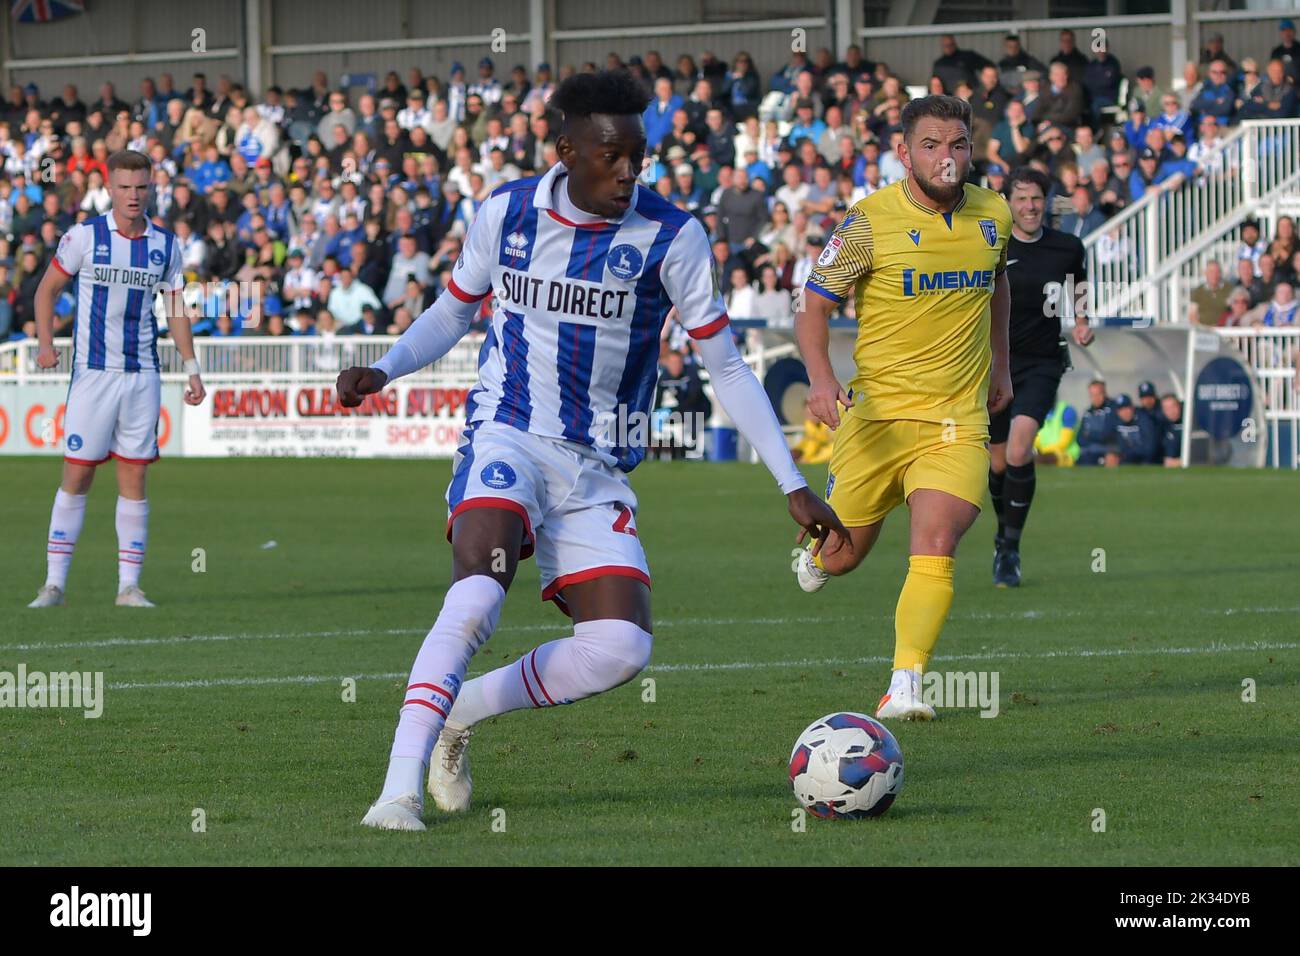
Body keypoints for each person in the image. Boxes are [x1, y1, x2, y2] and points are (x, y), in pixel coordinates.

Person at [337, 70, 844, 831]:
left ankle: (461, 713)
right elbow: (453, 311)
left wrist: (790, 484)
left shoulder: (671, 236)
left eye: (639, 154)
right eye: (611, 155)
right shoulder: (505, 213)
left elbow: (727, 366)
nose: (629, 171)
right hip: (507, 431)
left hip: (596, 467)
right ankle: (397, 791)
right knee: (478, 592)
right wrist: (386, 367)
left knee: (619, 648)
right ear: (566, 149)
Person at [794, 94, 1012, 720]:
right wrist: (820, 378)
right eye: (933, 146)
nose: (948, 159)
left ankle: (905, 685)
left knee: (937, 541)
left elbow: (999, 282)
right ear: (903, 153)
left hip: (957, 421)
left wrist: (1001, 361)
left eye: (959, 145)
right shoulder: (868, 222)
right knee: (844, 555)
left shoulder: (992, 213)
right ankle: (816, 552)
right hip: (878, 422)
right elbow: (814, 304)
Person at [27, 149, 207, 609]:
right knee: (78, 473)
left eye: (141, 187)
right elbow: (46, 289)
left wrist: (191, 368)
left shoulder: (166, 245)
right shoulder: (85, 236)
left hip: (142, 374)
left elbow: (175, 307)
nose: (133, 195)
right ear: (110, 188)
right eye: (125, 187)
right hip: (93, 373)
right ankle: (54, 584)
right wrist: (46, 344)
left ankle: (128, 587)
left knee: (134, 476)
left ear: (151, 188)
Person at [987, 167, 1091, 587]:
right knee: (995, 464)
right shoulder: (993, 245)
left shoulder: (1067, 247)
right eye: (1022, 198)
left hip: (1042, 363)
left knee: (1017, 450)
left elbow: (1078, 284)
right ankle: (1002, 535)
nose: (1029, 206)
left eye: (1036, 198)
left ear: (1046, 202)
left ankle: (1010, 549)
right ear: (1008, 202)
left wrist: (1082, 320)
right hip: (995, 365)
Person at [1076, 377, 1117, 466]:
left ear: (1105, 393)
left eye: (1098, 394)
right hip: (1089, 452)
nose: (1095, 398)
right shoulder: (1088, 413)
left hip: (1107, 451)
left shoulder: (1112, 409)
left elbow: (1107, 434)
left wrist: (1089, 434)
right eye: (1092, 395)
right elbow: (1079, 438)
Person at [1113, 394, 1158, 464]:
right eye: (1121, 410)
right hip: (1125, 460)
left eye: (1126, 408)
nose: (1125, 412)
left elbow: (1150, 449)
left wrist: (1126, 453)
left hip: (1145, 461)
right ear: (1117, 412)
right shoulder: (1115, 422)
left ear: (1132, 408)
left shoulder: (1144, 420)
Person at [1159, 394, 1184, 467]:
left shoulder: (1191, 423)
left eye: (1173, 407)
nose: (1171, 411)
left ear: (1179, 406)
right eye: (1167, 408)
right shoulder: (1162, 426)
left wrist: (1181, 461)